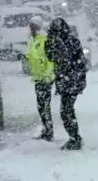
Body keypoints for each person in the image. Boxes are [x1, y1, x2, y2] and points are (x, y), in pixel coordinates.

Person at [45, 18, 87, 150]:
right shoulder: (68, 41)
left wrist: (53, 45)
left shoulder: (66, 43)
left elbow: (61, 60)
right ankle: (74, 137)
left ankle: (75, 139)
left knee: (66, 112)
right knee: (67, 111)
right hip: (70, 81)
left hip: (70, 82)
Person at [25, 16, 56, 141]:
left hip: (45, 79)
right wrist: (25, 58)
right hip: (38, 78)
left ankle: (49, 131)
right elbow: (33, 56)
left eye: (33, 26)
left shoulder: (44, 39)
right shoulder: (32, 40)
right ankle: (46, 129)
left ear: (38, 26)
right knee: (41, 106)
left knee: (45, 106)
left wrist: (47, 75)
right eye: (30, 26)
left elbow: (50, 60)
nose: (31, 28)